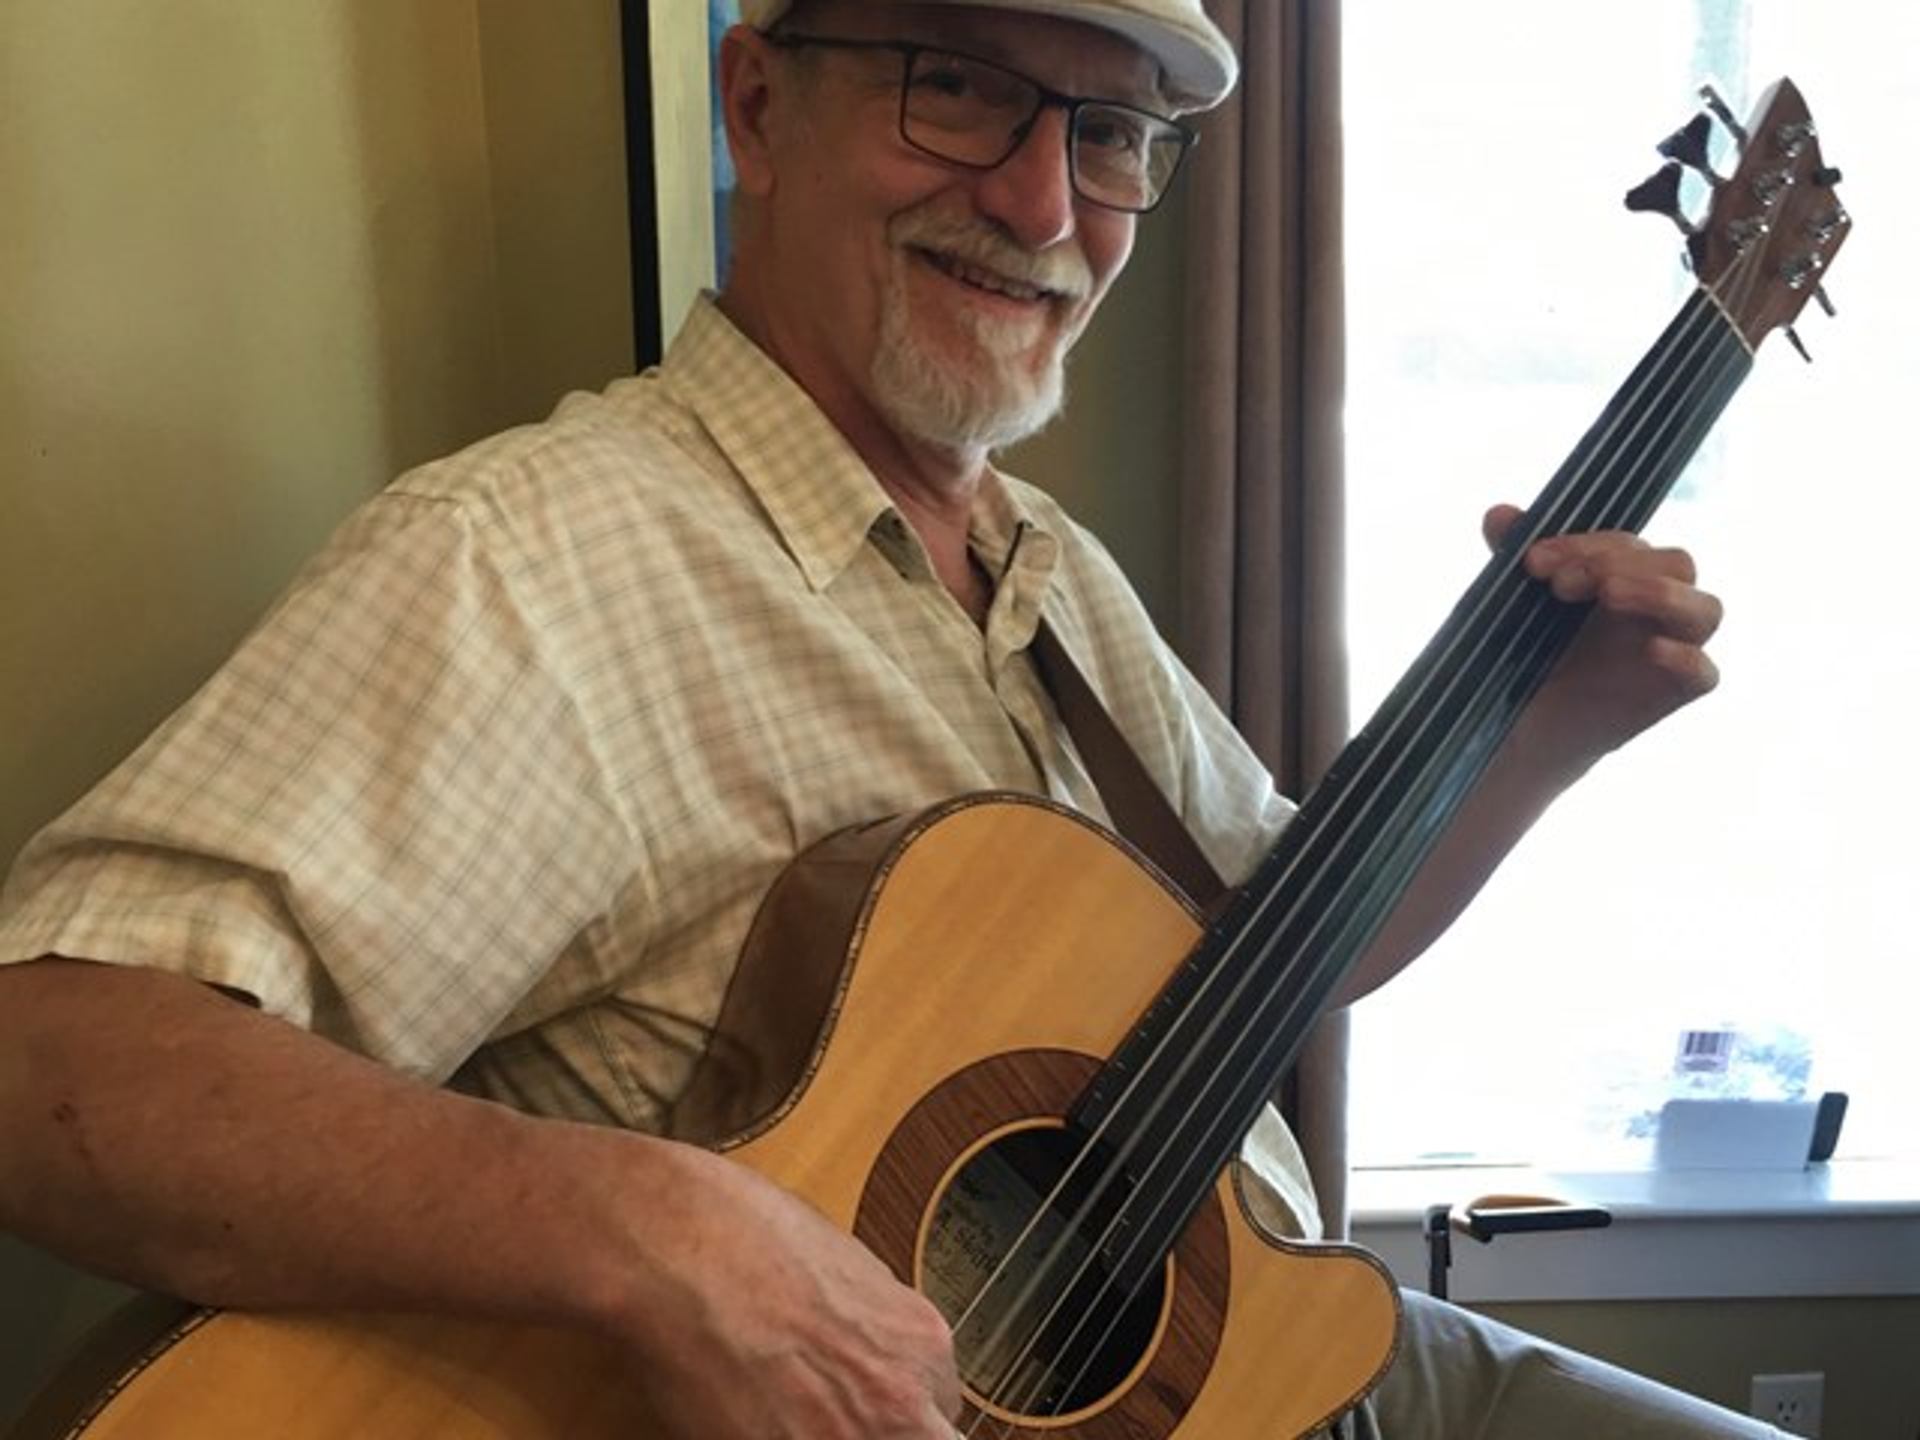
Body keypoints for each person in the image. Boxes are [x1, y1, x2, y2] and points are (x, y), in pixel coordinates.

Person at [0, 2, 1776, 1437]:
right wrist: (650, 1227)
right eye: (961, 90)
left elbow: (1281, 941)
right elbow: (54, 1064)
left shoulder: (1049, 571)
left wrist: (1546, 734)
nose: (1043, 206)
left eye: (1108, 134)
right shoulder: (539, 560)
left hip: (1256, 1352)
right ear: (758, 107)